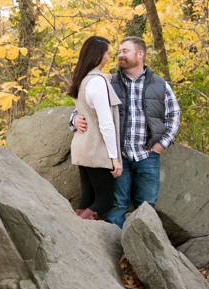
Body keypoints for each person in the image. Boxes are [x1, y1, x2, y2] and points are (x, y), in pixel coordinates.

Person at [72, 36, 180, 227]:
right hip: (117, 157)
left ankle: (138, 254)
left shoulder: (160, 85)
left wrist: (161, 145)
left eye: (125, 51)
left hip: (148, 156)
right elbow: (82, 109)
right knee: (116, 208)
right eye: (118, 51)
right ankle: (114, 254)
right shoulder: (108, 81)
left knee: (146, 208)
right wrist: (75, 120)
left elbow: (174, 116)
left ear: (140, 54)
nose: (119, 55)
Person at [68, 36, 123, 221]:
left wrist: (104, 79)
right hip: (96, 148)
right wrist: (115, 158)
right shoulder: (97, 82)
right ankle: (76, 233)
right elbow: (106, 123)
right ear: (98, 55)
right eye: (107, 53)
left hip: (82, 146)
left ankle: (76, 231)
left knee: (87, 198)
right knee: (104, 200)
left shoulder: (83, 79)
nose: (109, 57)